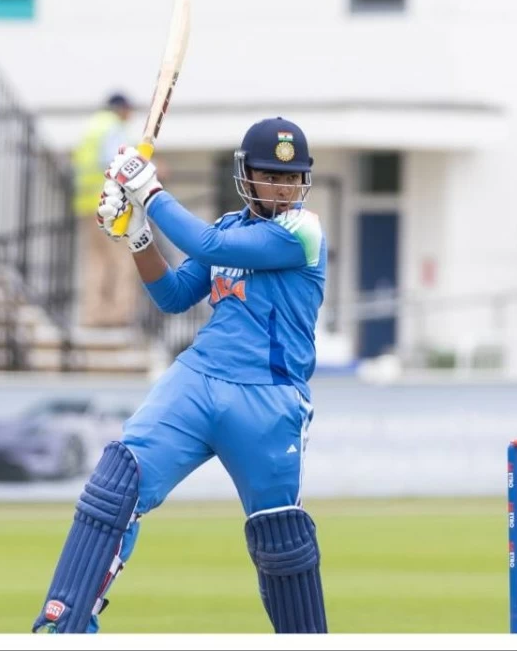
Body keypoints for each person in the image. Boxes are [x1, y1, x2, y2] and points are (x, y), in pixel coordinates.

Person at [31, 117, 328, 634]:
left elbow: (208, 247)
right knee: (116, 484)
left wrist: (149, 191)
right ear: (247, 176)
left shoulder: (303, 231)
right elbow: (172, 296)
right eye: (271, 176)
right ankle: (64, 626)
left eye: (291, 177)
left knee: (281, 541)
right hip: (197, 380)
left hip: (269, 399)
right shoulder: (232, 229)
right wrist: (139, 235)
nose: (283, 187)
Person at [72, 93, 138, 327]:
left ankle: (92, 315)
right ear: (121, 109)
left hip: (87, 205)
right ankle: (118, 315)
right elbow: (114, 162)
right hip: (110, 204)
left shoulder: (91, 127)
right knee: (121, 260)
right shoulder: (113, 128)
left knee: (95, 262)